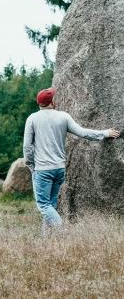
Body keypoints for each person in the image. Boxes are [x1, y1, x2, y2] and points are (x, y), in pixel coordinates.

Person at [23, 87, 120, 232]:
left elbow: (27, 147)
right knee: (51, 205)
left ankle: (62, 230)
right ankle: (46, 238)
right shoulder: (63, 117)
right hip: (59, 169)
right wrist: (105, 133)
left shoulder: (32, 118)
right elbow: (83, 133)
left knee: (43, 206)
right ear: (52, 101)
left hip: (42, 169)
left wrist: (31, 165)